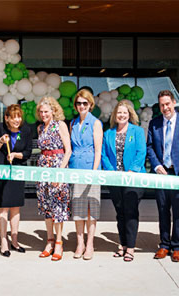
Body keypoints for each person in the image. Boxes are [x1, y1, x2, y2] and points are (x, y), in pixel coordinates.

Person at [147, 90, 179, 262]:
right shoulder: (154, 123)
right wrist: (157, 165)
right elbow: (150, 147)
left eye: (167, 104)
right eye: (162, 105)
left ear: (174, 103)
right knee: (162, 209)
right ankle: (164, 245)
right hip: (162, 173)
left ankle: (177, 246)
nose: (165, 107)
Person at [101, 101, 146, 262]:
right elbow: (104, 155)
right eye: (119, 112)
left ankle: (131, 247)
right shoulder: (108, 133)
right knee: (120, 212)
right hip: (115, 179)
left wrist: (131, 170)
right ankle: (123, 245)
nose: (121, 115)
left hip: (133, 178)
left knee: (131, 211)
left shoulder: (138, 131)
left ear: (130, 114)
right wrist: (111, 172)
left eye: (124, 112)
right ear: (115, 115)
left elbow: (141, 152)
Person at [0, 104, 33, 257]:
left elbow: (28, 152)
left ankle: (14, 240)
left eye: (19, 116)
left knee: (16, 207)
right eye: (13, 117)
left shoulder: (26, 130)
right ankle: (3, 241)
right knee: (3, 207)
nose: (17, 120)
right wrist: (1, 141)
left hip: (18, 172)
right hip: (2, 171)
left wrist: (16, 155)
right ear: (6, 118)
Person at [35, 96, 72, 261]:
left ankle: (58, 242)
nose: (43, 114)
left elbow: (68, 150)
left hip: (58, 167)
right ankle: (49, 241)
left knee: (58, 208)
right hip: (43, 168)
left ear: (53, 111)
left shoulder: (60, 125)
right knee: (46, 207)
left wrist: (59, 172)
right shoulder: (40, 128)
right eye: (41, 112)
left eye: (46, 111)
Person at [68, 90, 102, 260]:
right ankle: (79, 243)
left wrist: (94, 173)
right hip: (75, 168)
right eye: (79, 103)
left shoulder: (95, 123)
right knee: (78, 208)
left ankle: (90, 244)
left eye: (85, 103)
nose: (82, 106)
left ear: (90, 105)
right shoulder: (73, 123)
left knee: (91, 209)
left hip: (90, 168)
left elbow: (98, 151)